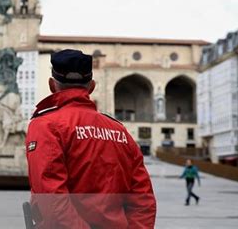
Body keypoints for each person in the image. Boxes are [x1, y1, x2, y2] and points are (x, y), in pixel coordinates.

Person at [25, 49, 156, 228]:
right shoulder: (119, 131)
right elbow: (143, 199)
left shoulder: (46, 125)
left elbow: (52, 199)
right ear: (91, 86)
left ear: (51, 85)